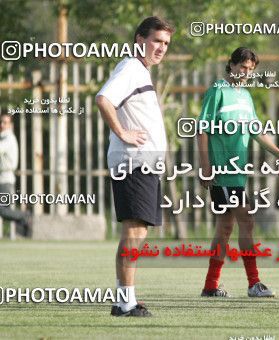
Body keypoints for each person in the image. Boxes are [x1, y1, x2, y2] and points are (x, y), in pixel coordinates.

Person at [96, 16, 174, 317]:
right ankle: (125, 302)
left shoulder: (140, 72)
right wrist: (122, 133)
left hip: (145, 165)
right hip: (134, 163)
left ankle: (123, 299)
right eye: (157, 41)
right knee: (134, 231)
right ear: (140, 40)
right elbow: (103, 99)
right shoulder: (130, 67)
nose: (161, 48)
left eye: (166, 43)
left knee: (138, 234)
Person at [198, 47, 279, 298]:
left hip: (238, 174)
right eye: (242, 67)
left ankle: (211, 286)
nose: (245, 73)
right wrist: (205, 166)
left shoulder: (245, 96)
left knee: (225, 228)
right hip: (223, 173)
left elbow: (257, 132)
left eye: (250, 69)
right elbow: (201, 130)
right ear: (231, 65)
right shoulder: (217, 92)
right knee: (246, 220)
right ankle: (254, 283)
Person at [0, 113, 31, 236]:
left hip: (5, 180)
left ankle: (24, 217)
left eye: (5, 122)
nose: (2, 125)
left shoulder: (8, 139)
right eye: (1, 122)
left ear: (11, 125)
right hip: (3, 179)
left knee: (2, 209)